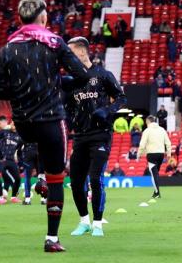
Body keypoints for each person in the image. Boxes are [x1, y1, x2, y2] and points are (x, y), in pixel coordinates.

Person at [0, 0, 89, 253]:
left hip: (23, 124)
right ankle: (52, 238)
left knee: (37, 148)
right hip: (51, 121)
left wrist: (21, 93)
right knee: (58, 179)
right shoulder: (55, 43)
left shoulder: (7, 48)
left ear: (20, 19)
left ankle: (40, 176)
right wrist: (55, 83)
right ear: (43, 18)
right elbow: (81, 75)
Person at [63, 36, 126, 236]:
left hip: (100, 135)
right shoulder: (71, 81)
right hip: (80, 136)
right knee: (75, 180)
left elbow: (122, 97)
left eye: (70, 54)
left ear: (81, 52)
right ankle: (84, 222)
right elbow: (66, 107)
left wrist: (108, 111)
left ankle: (98, 223)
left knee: (95, 177)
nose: (67, 59)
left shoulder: (103, 75)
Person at [140, 115, 171, 200]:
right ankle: (155, 192)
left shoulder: (147, 130)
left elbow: (142, 144)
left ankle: (157, 192)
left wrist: (139, 154)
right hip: (161, 154)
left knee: (154, 174)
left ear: (148, 121)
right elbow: (168, 143)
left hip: (151, 154)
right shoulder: (162, 130)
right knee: (156, 173)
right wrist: (168, 154)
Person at [0, 117, 22, 203]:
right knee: (8, 178)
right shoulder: (4, 132)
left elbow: (19, 149)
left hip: (12, 161)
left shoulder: (19, 136)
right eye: (13, 123)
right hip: (3, 160)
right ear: (11, 124)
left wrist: (19, 159)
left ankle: (13, 197)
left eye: (15, 124)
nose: (14, 125)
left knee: (18, 179)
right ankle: (1, 196)